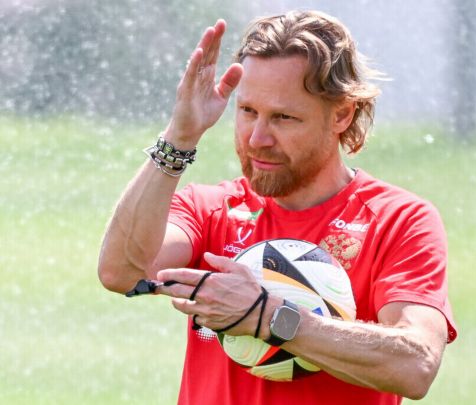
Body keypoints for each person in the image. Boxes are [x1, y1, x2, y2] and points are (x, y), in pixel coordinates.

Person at [98, 10, 457, 405]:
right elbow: (120, 272)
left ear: (342, 114)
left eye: (283, 117)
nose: (257, 138)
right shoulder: (210, 209)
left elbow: (415, 365)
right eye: (247, 111)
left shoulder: (398, 220)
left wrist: (269, 317)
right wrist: (179, 138)